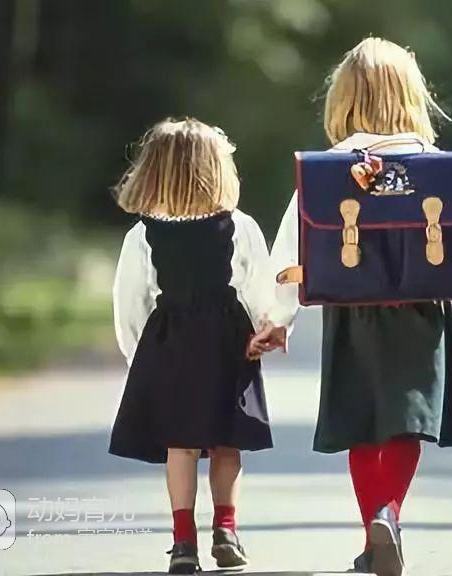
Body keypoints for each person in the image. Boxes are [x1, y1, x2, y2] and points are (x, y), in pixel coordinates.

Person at [254, 37, 452, 576]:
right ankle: (388, 516)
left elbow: (290, 250)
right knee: (408, 422)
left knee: (361, 425)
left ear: (344, 99)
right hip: (422, 309)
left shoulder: (327, 169)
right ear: (412, 96)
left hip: (351, 311)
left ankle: (374, 536)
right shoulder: (439, 168)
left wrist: (278, 318)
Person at [109, 118, 289, 574]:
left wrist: (137, 356)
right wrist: (264, 328)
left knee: (181, 445)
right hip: (227, 342)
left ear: (152, 171)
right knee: (227, 442)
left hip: (169, 345)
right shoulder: (239, 226)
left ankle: (183, 541)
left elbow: (130, 300)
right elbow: (259, 288)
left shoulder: (143, 234)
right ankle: (226, 530)